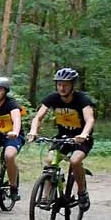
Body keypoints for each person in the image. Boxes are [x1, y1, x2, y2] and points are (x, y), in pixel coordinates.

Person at [27, 67, 95, 211]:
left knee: (75, 161)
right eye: (59, 84)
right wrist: (33, 131)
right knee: (49, 162)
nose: (62, 88)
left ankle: (82, 193)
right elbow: (38, 117)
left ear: (72, 85)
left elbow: (89, 119)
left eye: (65, 84)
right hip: (62, 137)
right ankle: (46, 197)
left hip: (81, 139)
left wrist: (83, 134)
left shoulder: (82, 99)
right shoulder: (52, 98)